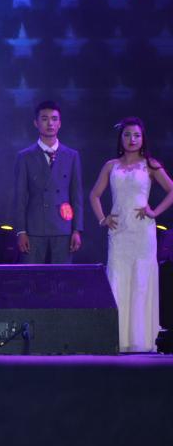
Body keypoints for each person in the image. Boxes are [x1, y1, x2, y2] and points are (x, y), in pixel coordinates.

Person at [89, 117, 173, 353]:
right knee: (116, 280)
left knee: (141, 282)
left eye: (136, 135)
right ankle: (116, 339)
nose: (132, 139)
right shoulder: (111, 166)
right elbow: (94, 195)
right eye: (127, 135)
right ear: (121, 138)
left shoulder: (150, 165)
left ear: (143, 138)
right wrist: (103, 219)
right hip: (119, 233)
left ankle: (141, 341)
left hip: (142, 233)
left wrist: (155, 211)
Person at [13, 101, 84, 263]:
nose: (50, 123)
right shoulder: (25, 156)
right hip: (34, 228)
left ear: (60, 123)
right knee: (31, 276)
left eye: (54, 119)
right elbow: (20, 197)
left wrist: (77, 230)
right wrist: (21, 231)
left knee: (62, 276)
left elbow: (76, 196)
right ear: (36, 123)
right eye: (45, 119)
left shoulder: (72, 156)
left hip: (63, 228)